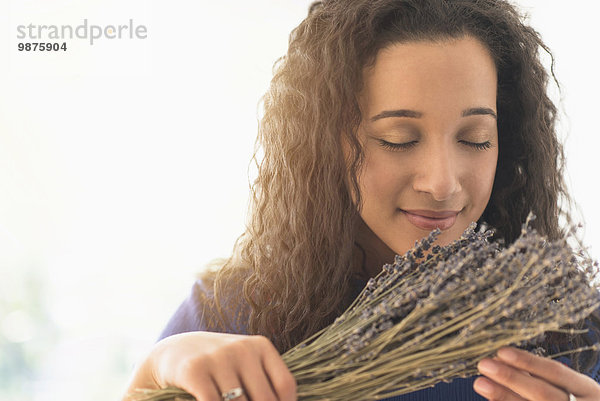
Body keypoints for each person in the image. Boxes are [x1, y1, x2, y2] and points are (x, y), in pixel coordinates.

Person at [122, 0, 600, 400]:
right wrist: (158, 367)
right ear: (325, 142)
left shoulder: (569, 330)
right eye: (398, 138)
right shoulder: (232, 313)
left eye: (475, 139)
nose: (443, 183)